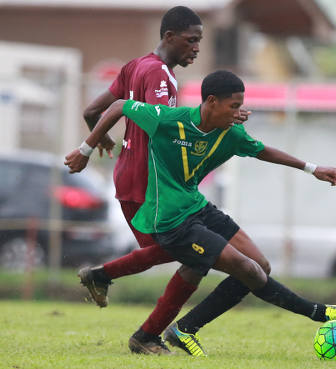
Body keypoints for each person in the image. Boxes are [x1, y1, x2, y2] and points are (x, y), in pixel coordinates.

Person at [65, 70, 336, 357]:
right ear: (211, 102)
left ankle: (182, 329)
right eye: (233, 105)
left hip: (197, 208)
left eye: (241, 105)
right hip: (170, 220)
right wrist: (86, 149)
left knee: (260, 264)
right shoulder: (169, 120)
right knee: (246, 270)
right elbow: (119, 105)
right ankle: (320, 312)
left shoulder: (231, 133)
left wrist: (313, 169)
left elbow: (262, 150)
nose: (239, 112)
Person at [76, 6, 229, 355]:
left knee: (177, 253)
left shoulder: (134, 66)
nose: (196, 48)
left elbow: (91, 111)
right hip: (150, 184)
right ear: (169, 37)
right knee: (193, 256)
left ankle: (111, 288)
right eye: (191, 41)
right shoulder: (160, 76)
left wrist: (101, 138)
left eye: (200, 42)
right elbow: (164, 129)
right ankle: (143, 333)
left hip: (128, 178)